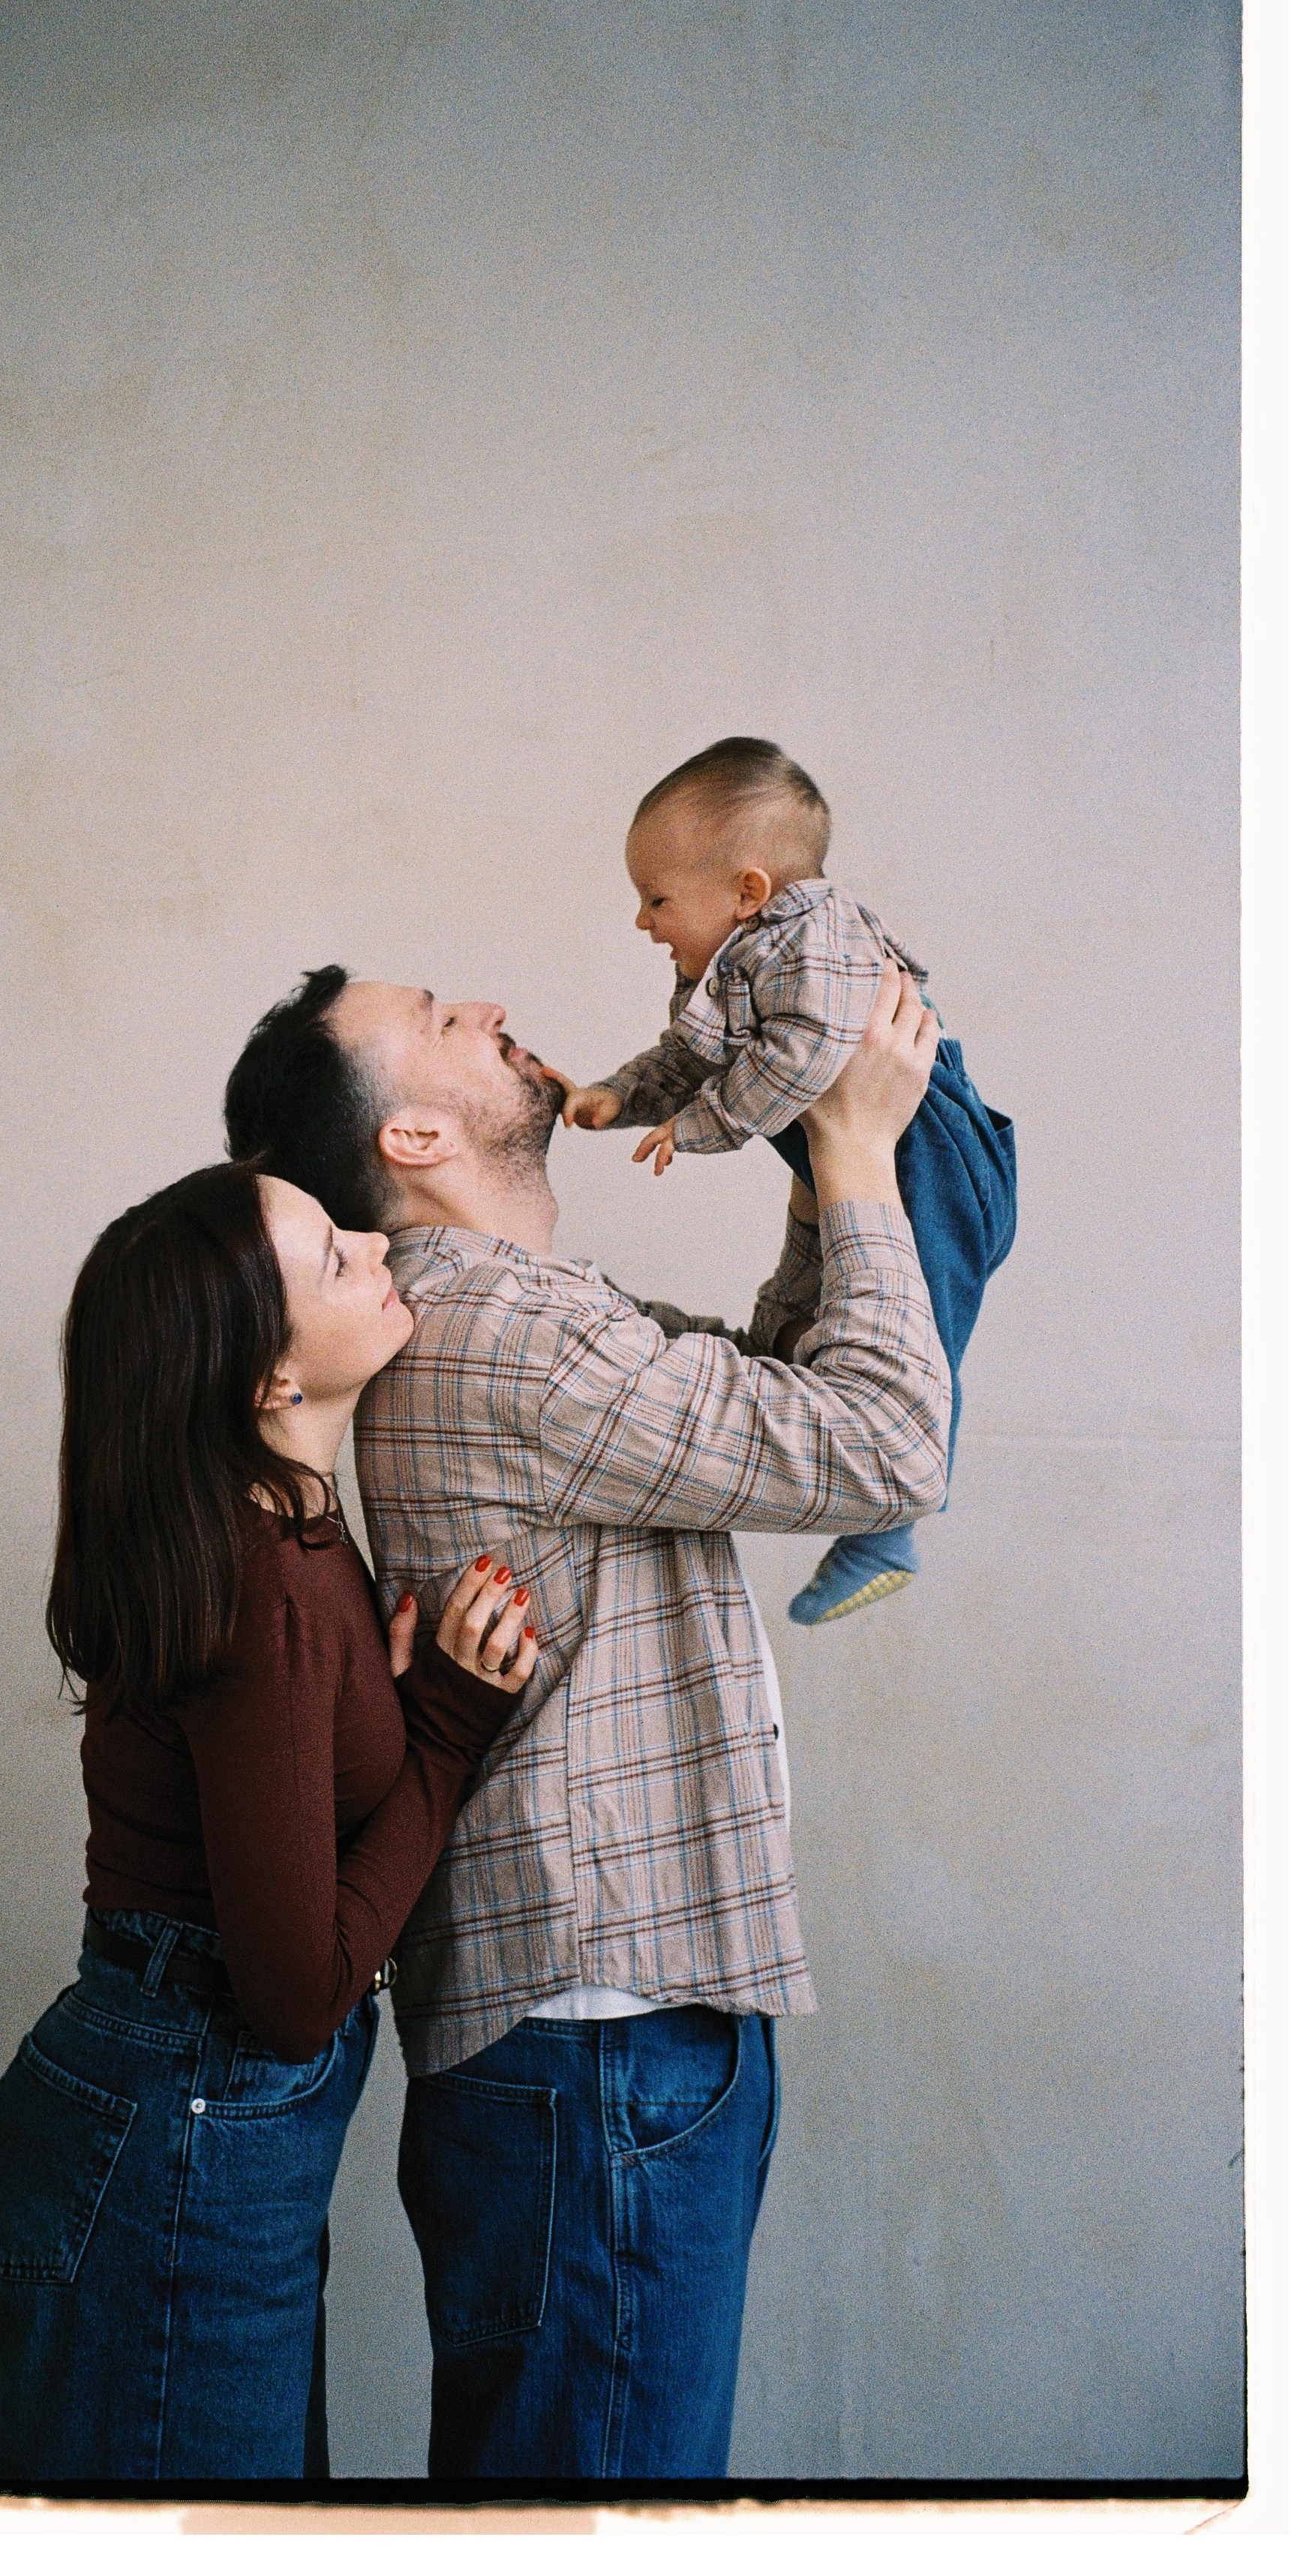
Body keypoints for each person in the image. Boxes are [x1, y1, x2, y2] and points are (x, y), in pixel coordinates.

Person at [223, 962, 949, 2478]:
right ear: (411, 1137)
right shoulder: (508, 1336)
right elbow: (877, 1444)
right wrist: (862, 1157)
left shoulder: (523, 1319)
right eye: (436, 1017)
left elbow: (765, 1391)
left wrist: (826, 1180)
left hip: (592, 2044)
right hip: (599, 2048)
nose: (488, 1004)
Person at [0, 1160, 539, 2484]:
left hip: (166, 2118)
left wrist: (383, 1718)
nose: (368, 1239)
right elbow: (292, 1995)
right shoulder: (268, 1573)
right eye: (331, 1256)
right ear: (269, 1382)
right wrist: (446, 1729)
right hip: (178, 2124)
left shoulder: (280, 1536)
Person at [545, 738, 1016, 1626]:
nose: (644, 922)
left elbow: (802, 1062)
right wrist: (623, 1096)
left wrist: (704, 1126)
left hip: (940, 1163)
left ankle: (889, 1530)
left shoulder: (816, 942)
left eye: (656, 898)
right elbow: (692, 1054)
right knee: (830, 1322)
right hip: (872, 1154)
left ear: (748, 892)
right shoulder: (739, 961)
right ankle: (862, 1483)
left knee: (928, 1345)